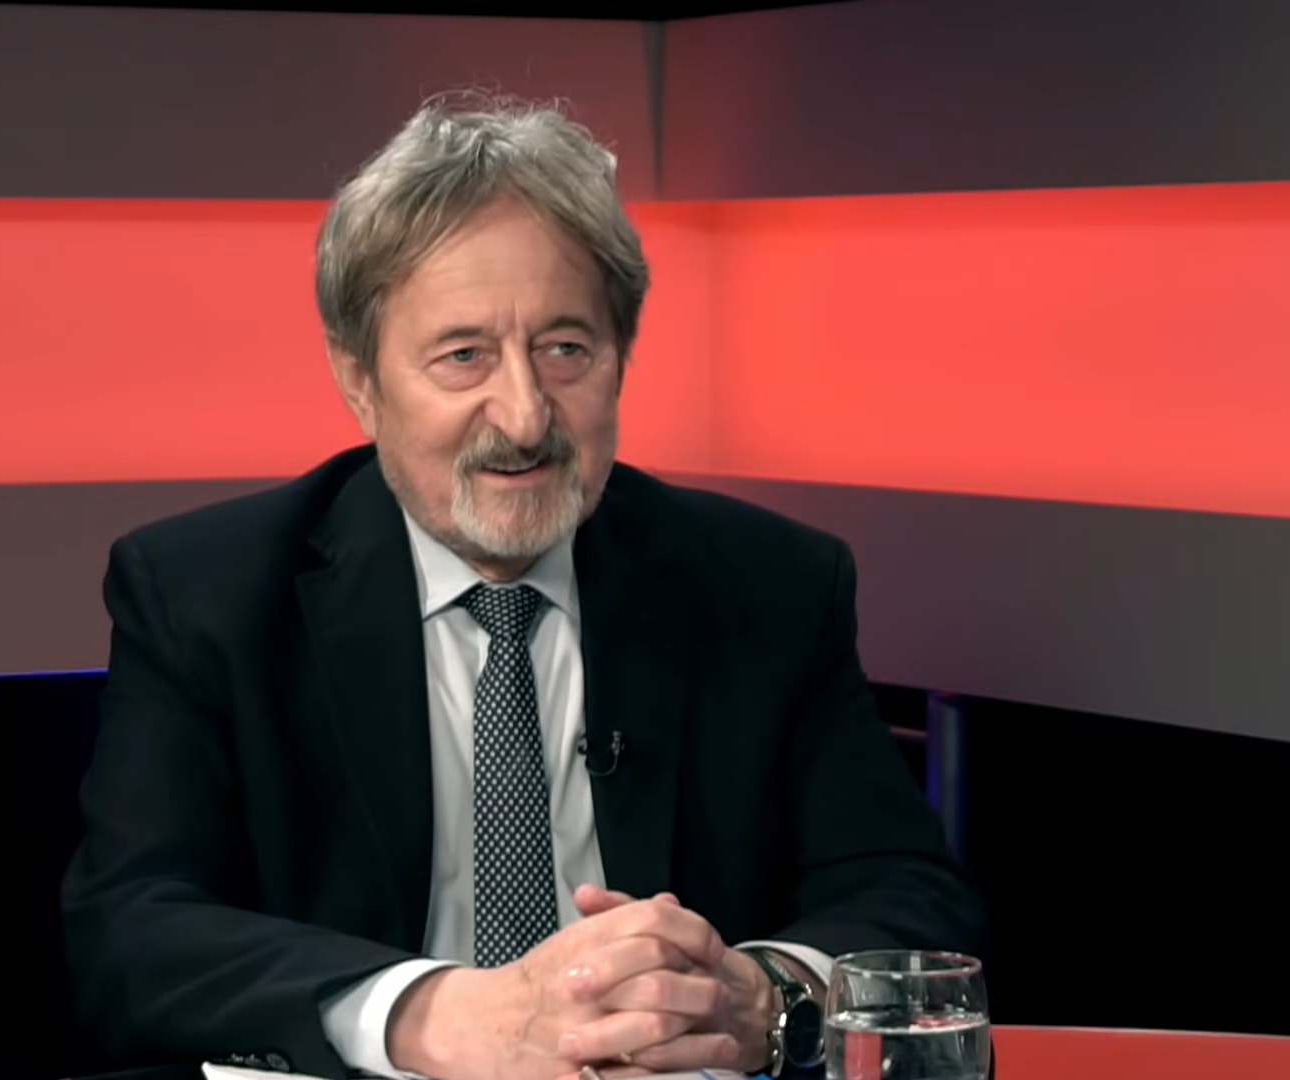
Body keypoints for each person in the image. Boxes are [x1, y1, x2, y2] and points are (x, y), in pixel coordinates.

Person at [60, 92, 989, 1080]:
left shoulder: (769, 584)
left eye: (564, 350)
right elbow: (131, 933)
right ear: (360, 380)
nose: (524, 415)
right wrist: (436, 1015)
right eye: (464, 356)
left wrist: (759, 996)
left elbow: (911, 901)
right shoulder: (204, 595)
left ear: (621, 359)